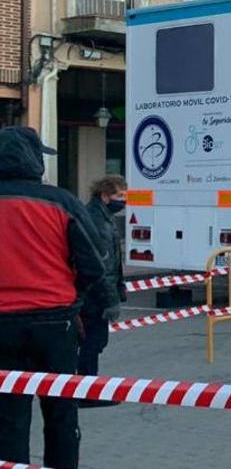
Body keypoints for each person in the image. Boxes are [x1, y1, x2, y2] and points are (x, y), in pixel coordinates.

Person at [0, 127, 113, 468]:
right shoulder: (61, 202)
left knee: (8, 420)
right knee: (62, 414)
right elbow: (96, 263)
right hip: (55, 323)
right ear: (34, 160)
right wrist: (74, 297)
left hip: (3, 327)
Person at [77, 174, 128, 406]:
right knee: (91, 344)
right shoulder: (98, 221)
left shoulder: (100, 216)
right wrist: (110, 300)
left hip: (91, 295)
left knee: (92, 343)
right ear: (105, 196)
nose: (124, 200)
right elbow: (102, 267)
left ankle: (87, 389)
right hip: (93, 298)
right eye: (120, 195)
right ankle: (87, 393)